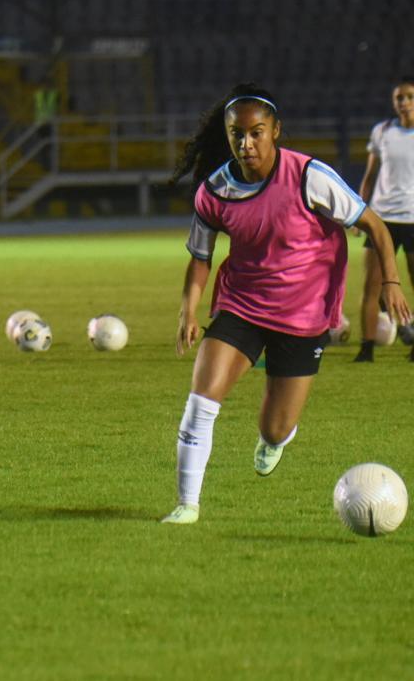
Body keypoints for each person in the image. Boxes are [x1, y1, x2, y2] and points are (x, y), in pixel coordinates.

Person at [162, 83, 411, 525]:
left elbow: (375, 225)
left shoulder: (308, 176)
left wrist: (390, 280)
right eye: (237, 134)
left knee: (273, 427)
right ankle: (186, 505)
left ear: (276, 130)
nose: (247, 143)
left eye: (257, 132)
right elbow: (200, 258)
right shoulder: (214, 191)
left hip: (304, 316)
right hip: (241, 307)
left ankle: (276, 438)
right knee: (201, 402)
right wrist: (189, 309)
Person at [353, 76, 414, 362]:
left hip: (413, 218)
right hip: (383, 218)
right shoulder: (382, 131)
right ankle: (366, 348)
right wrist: (357, 212)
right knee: (372, 285)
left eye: (410, 97)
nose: (404, 102)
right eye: (400, 98)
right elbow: (369, 176)